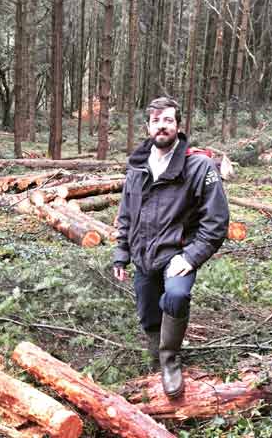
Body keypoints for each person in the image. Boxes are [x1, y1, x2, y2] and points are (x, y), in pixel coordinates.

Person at [113, 97, 229, 398]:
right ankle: (155, 350)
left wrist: (191, 256)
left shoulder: (198, 165)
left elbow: (216, 221)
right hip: (143, 254)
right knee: (148, 310)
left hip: (177, 254)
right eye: (156, 120)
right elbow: (126, 213)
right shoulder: (137, 166)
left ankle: (169, 359)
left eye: (168, 120)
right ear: (147, 126)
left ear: (178, 125)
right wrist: (121, 253)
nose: (162, 126)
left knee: (176, 296)